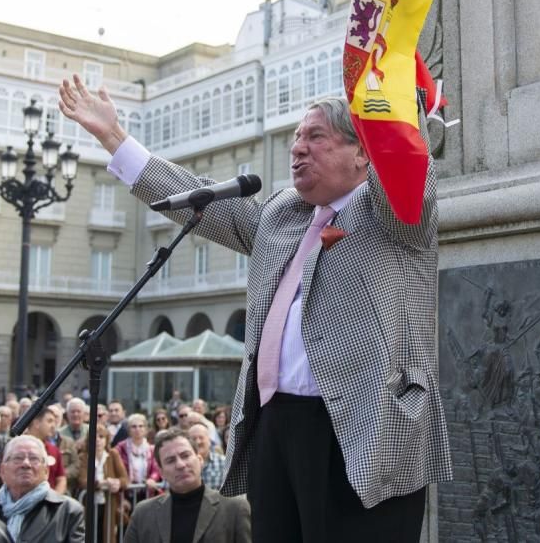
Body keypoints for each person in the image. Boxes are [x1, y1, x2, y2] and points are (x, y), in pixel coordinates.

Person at [59, 78, 453, 541]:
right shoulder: (282, 213)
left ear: (362, 153)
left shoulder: (390, 212)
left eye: (316, 137)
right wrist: (114, 138)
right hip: (275, 426)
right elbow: (199, 197)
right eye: (296, 139)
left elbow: (406, 178)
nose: (298, 149)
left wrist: (396, 98)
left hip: (362, 430)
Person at [0, 435, 85, 543]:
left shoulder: (68, 511)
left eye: (34, 458)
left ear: (46, 471)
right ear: (2, 470)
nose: (26, 464)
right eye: (18, 458)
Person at [124, 429, 250, 543]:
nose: (180, 465)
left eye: (185, 455)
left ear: (200, 460)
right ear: (161, 472)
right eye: (170, 460)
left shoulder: (235, 508)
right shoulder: (143, 513)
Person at [78, 423, 129, 543]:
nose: (98, 441)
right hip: (89, 505)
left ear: (106, 440)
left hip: (109, 504)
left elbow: (125, 479)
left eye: (101, 437)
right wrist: (100, 484)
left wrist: (117, 483)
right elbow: (82, 480)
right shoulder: (84, 457)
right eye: (94, 438)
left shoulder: (113, 455)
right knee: (89, 535)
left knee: (107, 536)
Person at [115, 413, 161, 498]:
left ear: (146, 429)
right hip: (125, 494)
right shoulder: (120, 448)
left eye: (141, 426)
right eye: (134, 426)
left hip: (147, 492)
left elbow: (156, 469)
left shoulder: (152, 449)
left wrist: (152, 479)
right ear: (128, 430)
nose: (137, 429)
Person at [26, 406, 66, 494]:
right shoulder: (15, 448)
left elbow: (61, 479)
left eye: (54, 422)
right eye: (49, 421)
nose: (53, 426)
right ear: (36, 423)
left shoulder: (54, 450)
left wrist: (54, 499)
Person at [189, 422, 226, 491]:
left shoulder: (223, 462)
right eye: (193, 439)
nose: (198, 442)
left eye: (201, 437)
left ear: (209, 440)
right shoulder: (183, 465)